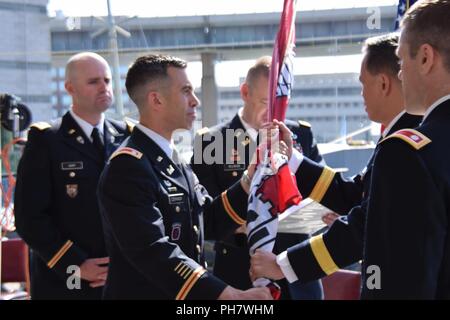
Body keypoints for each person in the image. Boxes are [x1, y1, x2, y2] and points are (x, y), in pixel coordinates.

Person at [251, 0, 450, 299]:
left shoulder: (408, 151)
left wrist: (283, 265)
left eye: (401, 61)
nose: (400, 74)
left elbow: (369, 232)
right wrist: (292, 160)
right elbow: (358, 197)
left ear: (425, 58)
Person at [97, 54, 272, 300]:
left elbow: (207, 219)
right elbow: (153, 250)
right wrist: (228, 295)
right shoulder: (128, 167)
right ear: (156, 99)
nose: (195, 101)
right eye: (186, 91)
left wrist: (249, 178)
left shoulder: (170, 157)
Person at [191, 56, 324, 299]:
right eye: (266, 102)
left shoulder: (300, 135)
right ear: (245, 92)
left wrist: (261, 221)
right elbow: (205, 216)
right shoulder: (212, 141)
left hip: (296, 277)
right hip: (239, 276)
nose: (274, 114)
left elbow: (321, 203)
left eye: (280, 104)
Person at [14, 52, 132, 299]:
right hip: (65, 283)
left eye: (107, 81)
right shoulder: (46, 140)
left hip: (119, 281)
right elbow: (29, 218)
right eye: (93, 82)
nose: (104, 88)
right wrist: (75, 264)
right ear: (70, 88)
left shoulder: (126, 136)